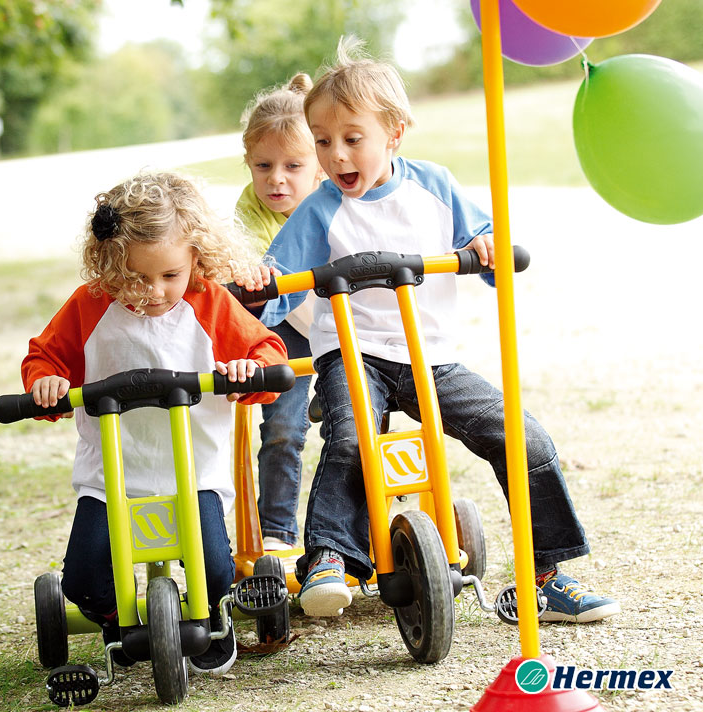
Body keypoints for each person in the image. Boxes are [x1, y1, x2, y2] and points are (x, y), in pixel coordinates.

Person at [262, 38, 619, 624]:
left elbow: (487, 247)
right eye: (323, 142)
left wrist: (485, 247)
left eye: (353, 139)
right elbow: (279, 282)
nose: (335, 156)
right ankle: (329, 556)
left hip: (431, 357)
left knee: (522, 438)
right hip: (353, 354)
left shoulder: (435, 187)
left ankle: (546, 575)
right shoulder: (321, 208)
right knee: (352, 438)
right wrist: (264, 280)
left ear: (394, 134)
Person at [22, 172, 288, 676]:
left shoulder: (208, 301)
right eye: (137, 277)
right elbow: (45, 357)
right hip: (111, 479)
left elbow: (265, 355)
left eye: (170, 275)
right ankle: (114, 620)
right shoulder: (91, 306)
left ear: (195, 258)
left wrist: (245, 371)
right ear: (109, 263)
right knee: (81, 580)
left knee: (214, 569)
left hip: (196, 475)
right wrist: (47, 384)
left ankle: (212, 618)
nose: (155, 291)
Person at [236, 73, 328, 552]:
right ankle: (277, 533)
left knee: (356, 423)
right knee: (283, 430)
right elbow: (241, 255)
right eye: (263, 165)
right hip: (285, 327)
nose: (276, 179)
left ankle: (347, 531)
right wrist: (247, 269)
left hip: (338, 323)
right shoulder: (249, 211)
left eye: (293, 166)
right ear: (249, 164)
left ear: (319, 165)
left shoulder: (335, 196)